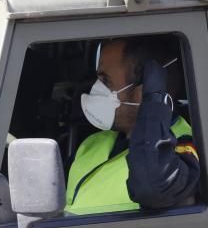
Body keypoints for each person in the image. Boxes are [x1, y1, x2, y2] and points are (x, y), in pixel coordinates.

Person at [65, 37, 200, 215]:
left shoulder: (184, 147)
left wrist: (152, 103)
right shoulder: (91, 144)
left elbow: (151, 187)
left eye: (106, 81)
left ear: (142, 91)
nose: (95, 89)